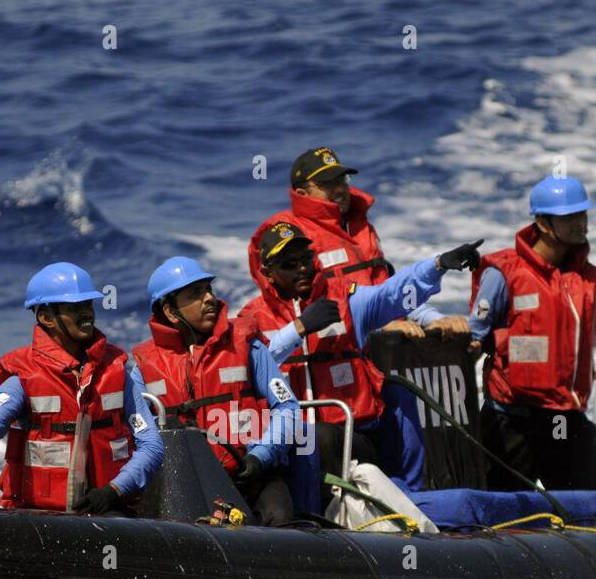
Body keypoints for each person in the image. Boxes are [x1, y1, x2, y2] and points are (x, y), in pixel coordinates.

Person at [241, 219, 482, 488]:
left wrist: (436, 266)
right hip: (289, 443)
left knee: (386, 400)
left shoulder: (345, 300)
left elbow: (391, 295)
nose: (301, 269)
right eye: (288, 264)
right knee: (313, 438)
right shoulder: (251, 319)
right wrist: (299, 328)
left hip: (353, 436)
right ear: (268, 273)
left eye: (306, 259)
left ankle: (408, 495)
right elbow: (249, 371)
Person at [469, 175, 596, 491]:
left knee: (591, 514)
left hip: (563, 420)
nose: (581, 223)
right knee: (500, 520)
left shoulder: (582, 279)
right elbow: (473, 338)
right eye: (570, 217)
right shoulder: (504, 273)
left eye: (583, 214)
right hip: (510, 422)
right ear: (544, 224)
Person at [0, 262, 164, 513]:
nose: (86, 314)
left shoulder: (115, 371)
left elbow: (151, 445)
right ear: (46, 317)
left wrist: (113, 491)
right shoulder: (23, 375)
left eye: (88, 305)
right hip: (39, 515)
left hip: (109, 508)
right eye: (74, 308)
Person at [133, 257, 306, 526]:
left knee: (278, 516)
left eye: (209, 289)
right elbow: (140, 435)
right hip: (186, 488)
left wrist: (260, 456)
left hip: (252, 477)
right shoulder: (143, 370)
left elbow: (288, 408)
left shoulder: (248, 346)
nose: (209, 299)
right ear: (169, 311)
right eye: (195, 294)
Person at [273, 146, 471, 339]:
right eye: (327, 184)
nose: (340, 189)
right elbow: (301, 312)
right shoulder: (290, 240)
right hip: (336, 354)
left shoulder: (361, 230)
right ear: (301, 194)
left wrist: (432, 318)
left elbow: (389, 291)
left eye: (341, 180)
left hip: (383, 348)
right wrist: (381, 325)